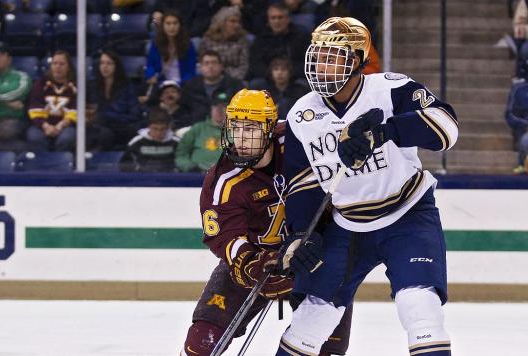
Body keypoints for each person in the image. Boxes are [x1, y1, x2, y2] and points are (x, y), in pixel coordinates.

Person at [275, 17, 458, 356]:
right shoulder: (302, 114)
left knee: (420, 306)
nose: (322, 64)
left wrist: (385, 132)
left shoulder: (390, 88)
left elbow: (446, 128)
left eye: (334, 56)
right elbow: (302, 184)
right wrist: (302, 234)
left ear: (358, 60)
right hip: (346, 226)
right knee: (311, 318)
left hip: (408, 215)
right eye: (318, 55)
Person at [180, 88, 351, 356]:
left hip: (312, 254)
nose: (241, 138)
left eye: (251, 128)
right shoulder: (223, 180)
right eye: (235, 127)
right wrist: (250, 263)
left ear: (270, 129)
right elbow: (224, 235)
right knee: (202, 337)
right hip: (257, 257)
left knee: (328, 344)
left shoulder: (300, 142)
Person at [89, 50, 143, 150]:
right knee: (103, 132)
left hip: (122, 127)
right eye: (102, 63)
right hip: (100, 128)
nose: (105, 67)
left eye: (109, 63)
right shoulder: (92, 86)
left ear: (116, 66)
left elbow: (135, 114)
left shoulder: (127, 86)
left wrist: (109, 117)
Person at [27, 50, 78, 151]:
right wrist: (45, 126)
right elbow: (34, 106)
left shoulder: (75, 86)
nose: (57, 67)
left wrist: (61, 125)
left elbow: (75, 109)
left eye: (62, 64)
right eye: (55, 63)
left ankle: (62, 164)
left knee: (66, 139)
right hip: (42, 124)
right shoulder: (40, 84)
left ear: (69, 67)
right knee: (34, 137)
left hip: (65, 125)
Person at [247, 2, 308, 83]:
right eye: (273, 18)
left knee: (303, 84)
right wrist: (271, 75)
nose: (276, 21)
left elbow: (306, 63)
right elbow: (255, 64)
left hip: (294, 79)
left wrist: (288, 74)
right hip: (268, 79)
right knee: (255, 84)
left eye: (280, 17)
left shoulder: (301, 37)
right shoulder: (260, 39)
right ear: (268, 21)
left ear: (288, 19)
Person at [179, 50, 244, 126]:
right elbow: (183, 110)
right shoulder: (190, 86)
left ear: (221, 66)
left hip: (227, 127)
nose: (210, 66)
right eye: (206, 63)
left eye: (214, 63)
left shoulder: (234, 85)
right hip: (196, 128)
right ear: (201, 68)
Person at [174, 91, 227, 172]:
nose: (219, 110)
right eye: (216, 106)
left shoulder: (237, 130)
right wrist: (189, 167)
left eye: (224, 106)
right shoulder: (198, 128)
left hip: (228, 175)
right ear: (211, 108)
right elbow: (181, 154)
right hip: (198, 175)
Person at [144, 10, 197, 86]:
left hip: (183, 85)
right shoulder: (156, 43)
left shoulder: (188, 44)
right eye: (168, 23)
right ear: (163, 25)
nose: (172, 27)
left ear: (180, 25)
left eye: (175, 23)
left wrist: (180, 84)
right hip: (161, 84)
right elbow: (150, 64)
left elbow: (191, 70)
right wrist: (151, 75)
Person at [119, 107, 179, 172]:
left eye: (162, 129)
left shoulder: (176, 142)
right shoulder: (136, 142)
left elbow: (181, 162)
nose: (158, 133)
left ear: (168, 128)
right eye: (155, 129)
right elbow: (124, 164)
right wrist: (138, 169)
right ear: (149, 127)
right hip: (143, 179)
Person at [199, 6, 250, 81]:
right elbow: (203, 63)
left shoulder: (242, 40)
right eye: (232, 21)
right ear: (221, 22)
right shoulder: (208, 40)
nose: (237, 25)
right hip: (211, 77)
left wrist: (229, 79)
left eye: (238, 22)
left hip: (235, 80)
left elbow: (243, 66)